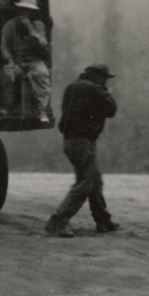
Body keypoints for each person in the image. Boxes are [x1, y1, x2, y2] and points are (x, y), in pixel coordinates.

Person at [45, 63, 120, 238]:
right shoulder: (95, 89)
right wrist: (105, 91)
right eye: (104, 78)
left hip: (70, 142)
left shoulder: (72, 87)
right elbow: (112, 109)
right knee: (87, 182)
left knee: (94, 181)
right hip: (83, 143)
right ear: (98, 76)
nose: (105, 82)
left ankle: (103, 221)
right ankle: (57, 222)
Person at [0, 0, 51, 122]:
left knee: (42, 72)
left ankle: (42, 110)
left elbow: (43, 46)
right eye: (23, 10)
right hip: (16, 61)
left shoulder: (38, 25)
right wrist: (11, 63)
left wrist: (31, 31)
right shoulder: (10, 25)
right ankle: (8, 107)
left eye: (29, 10)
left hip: (34, 61)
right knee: (8, 73)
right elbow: (4, 47)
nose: (25, 13)